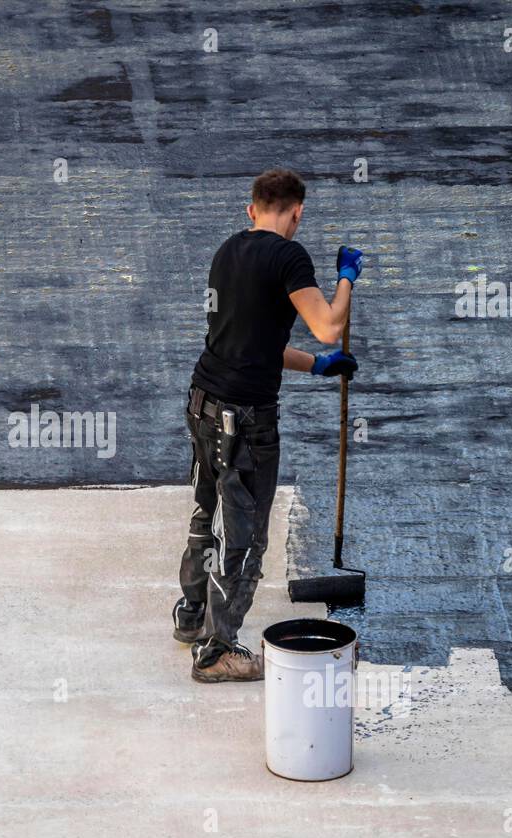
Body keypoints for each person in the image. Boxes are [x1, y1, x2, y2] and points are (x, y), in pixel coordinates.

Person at [174, 168, 363, 682]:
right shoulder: (289, 256)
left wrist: (317, 367)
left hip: (202, 402)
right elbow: (329, 325)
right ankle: (216, 653)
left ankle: (191, 617)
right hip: (246, 422)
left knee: (205, 513)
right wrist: (345, 278)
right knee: (246, 538)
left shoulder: (227, 251)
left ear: (250, 210)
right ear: (296, 213)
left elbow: (253, 345)